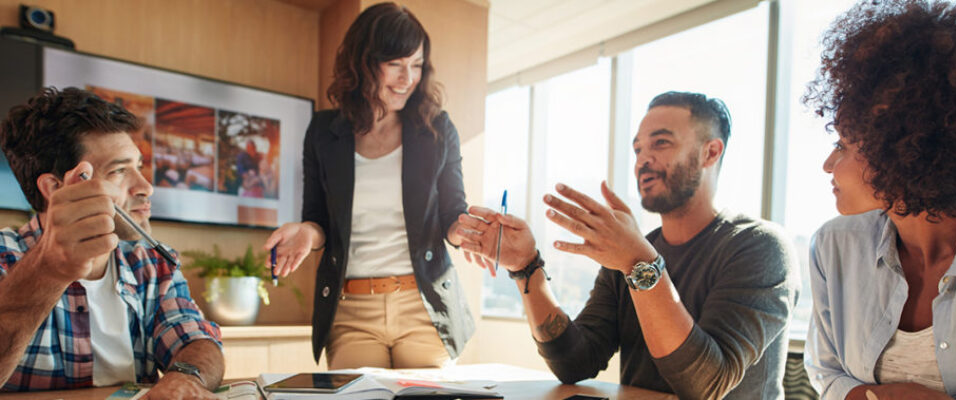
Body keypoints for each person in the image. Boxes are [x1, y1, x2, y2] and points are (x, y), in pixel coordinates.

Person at [458, 91, 800, 399]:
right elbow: (575, 362)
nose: (642, 160)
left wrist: (639, 262)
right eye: (638, 149)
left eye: (661, 143)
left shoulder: (761, 248)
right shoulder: (631, 253)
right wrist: (526, 266)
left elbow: (705, 385)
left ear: (710, 152)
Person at [263, 2, 474, 369]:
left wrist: (470, 232)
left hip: (423, 306)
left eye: (417, 65)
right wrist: (305, 233)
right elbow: (317, 220)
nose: (408, 78)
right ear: (363, 62)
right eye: (395, 64)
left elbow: (453, 215)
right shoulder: (324, 132)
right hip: (351, 311)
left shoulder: (437, 130)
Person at [0, 87, 224, 399]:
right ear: (55, 187)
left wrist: (186, 378)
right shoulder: (3, 257)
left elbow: (195, 339)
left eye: (139, 166)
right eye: (119, 171)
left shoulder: (152, 262)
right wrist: (48, 271)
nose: (146, 187)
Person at [803, 1, 956, 399]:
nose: (828, 165)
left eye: (843, 146)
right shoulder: (834, 246)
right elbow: (824, 373)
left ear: (904, 149)